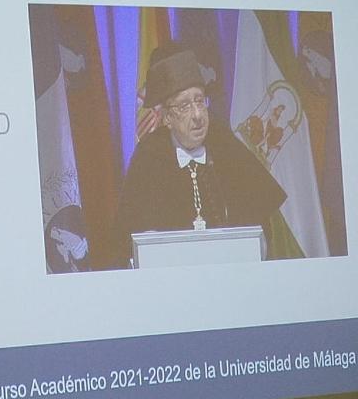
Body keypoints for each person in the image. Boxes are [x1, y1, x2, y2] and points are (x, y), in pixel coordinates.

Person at [113, 45, 287, 267]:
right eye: (185, 106)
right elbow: (129, 239)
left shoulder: (224, 144)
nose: (197, 116)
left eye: (199, 101)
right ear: (167, 118)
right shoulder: (149, 156)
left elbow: (258, 223)